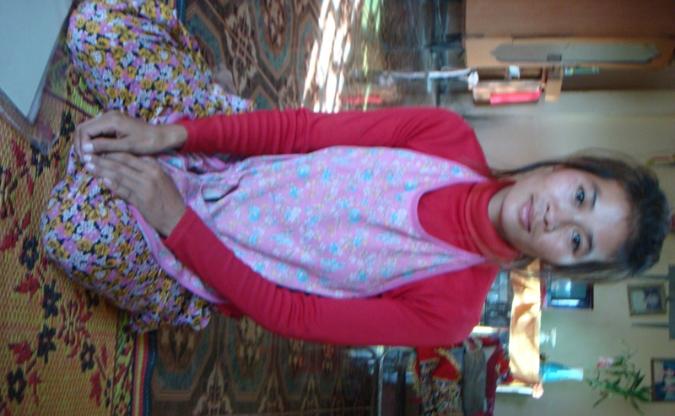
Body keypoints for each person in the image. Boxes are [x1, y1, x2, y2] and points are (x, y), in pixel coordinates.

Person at [40, 0, 670, 345]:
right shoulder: (446, 136)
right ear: (565, 167)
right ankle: (196, 103)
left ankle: (168, 293)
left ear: (562, 265)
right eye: (581, 195)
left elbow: (292, 316)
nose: (556, 217)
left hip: (213, 258)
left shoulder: (450, 313)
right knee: (98, 24)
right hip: (232, 159)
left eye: (578, 240)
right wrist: (173, 135)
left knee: (73, 231)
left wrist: (175, 220)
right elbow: (300, 132)